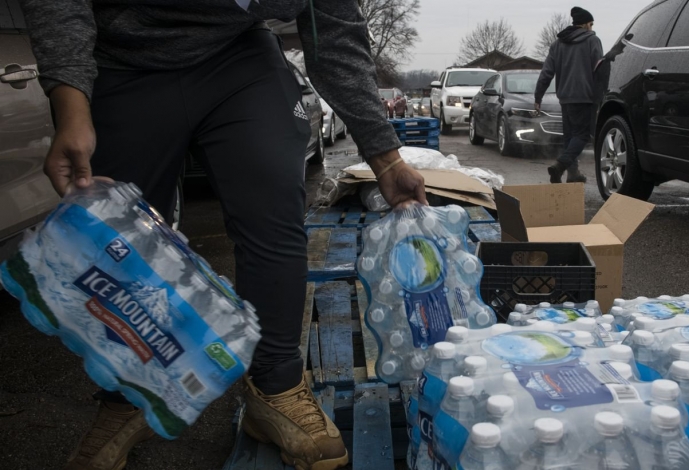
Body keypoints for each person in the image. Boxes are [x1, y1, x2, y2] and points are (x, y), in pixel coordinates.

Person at [19, 1, 426, 469]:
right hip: (123, 58)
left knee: (272, 203)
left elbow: (334, 38)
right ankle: (127, 391)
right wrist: (70, 99)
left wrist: (386, 159)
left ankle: (275, 387)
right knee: (116, 235)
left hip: (238, 59)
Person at [534, 6, 603, 184]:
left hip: (565, 98)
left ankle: (573, 174)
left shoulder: (558, 44)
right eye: (591, 24)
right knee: (582, 136)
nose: (592, 27)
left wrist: (538, 97)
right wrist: (601, 96)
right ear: (586, 24)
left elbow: (546, 73)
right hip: (586, 97)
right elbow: (599, 71)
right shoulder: (592, 41)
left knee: (570, 137)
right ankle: (560, 166)